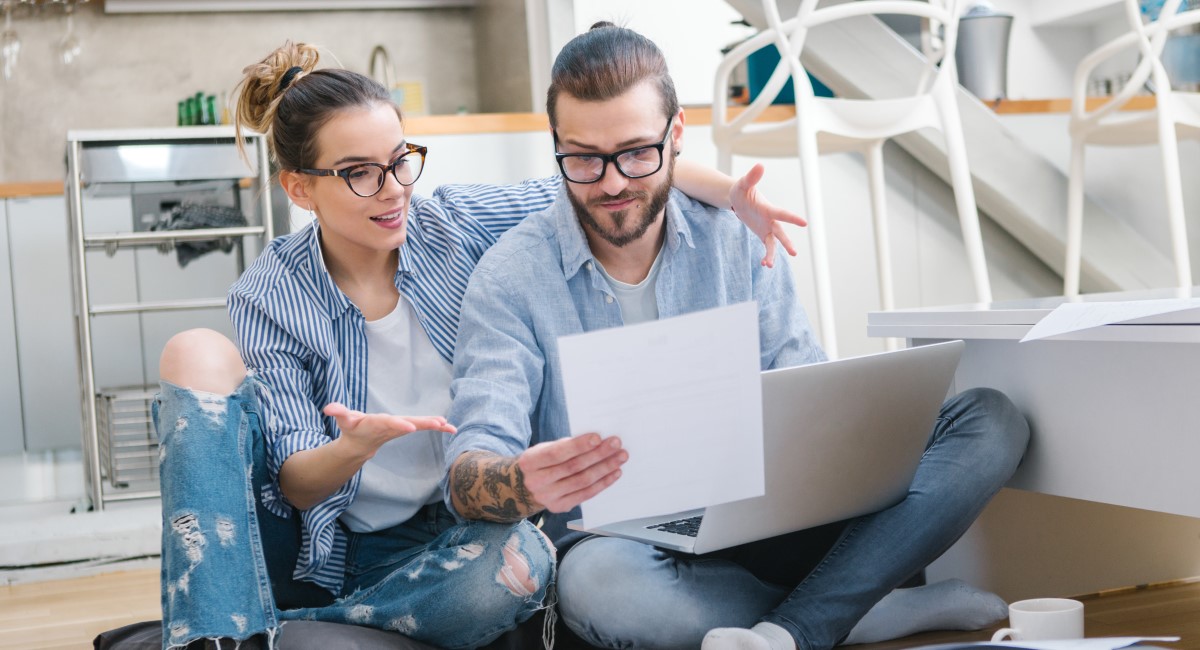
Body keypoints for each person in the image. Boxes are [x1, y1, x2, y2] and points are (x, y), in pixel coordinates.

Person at [154, 41, 806, 650]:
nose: (393, 190)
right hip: (356, 546)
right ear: (299, 188)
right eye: (359, 173)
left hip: (472, 533)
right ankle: (241, 630)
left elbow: (602, 173)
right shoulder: (271, 294)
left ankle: (304, 632)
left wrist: (735, 197)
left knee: (521, 569)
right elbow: (296, 486)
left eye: (400, 160)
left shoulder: (452, 225)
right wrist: (355, 447)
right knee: (191, 349)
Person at [443, 23, 1031, 650]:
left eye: (636, 153)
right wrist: (521, 482)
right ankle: (848, 615)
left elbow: (810, 388)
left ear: (676, 138)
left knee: (991, 420)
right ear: (555, 144)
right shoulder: (511, 276)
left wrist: (835, 447)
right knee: (599, 587)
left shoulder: (733, 239)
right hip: (626, 548)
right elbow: (465, 470)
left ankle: (802, 624)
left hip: (768, 517)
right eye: (583, 158)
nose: (611, 183)